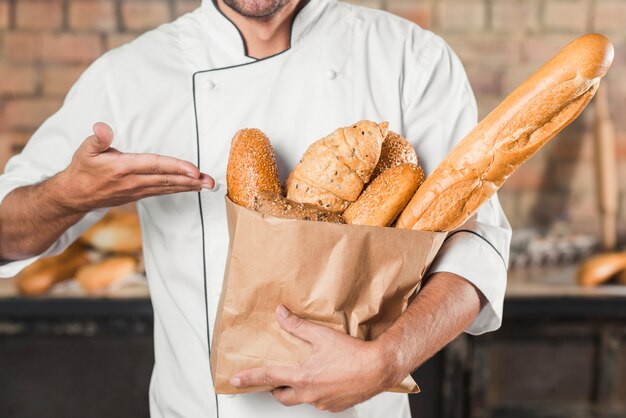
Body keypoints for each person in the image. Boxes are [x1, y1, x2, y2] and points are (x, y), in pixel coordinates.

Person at [0, 0, 511, 416]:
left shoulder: (408, 59)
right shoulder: (130, 77)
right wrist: (67, 195)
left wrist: (387, 360)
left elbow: (477, 242)